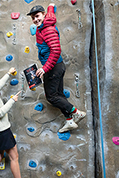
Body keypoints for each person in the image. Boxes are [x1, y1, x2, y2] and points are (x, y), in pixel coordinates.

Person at [27, 4, 86, 133]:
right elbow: (51, 13)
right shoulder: (44, 26)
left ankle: (76, 113)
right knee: (58, 95)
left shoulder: (47, 29)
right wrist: (50, 7)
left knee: (52, 97)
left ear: (43, 15)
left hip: (52, 67)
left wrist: (44, 68)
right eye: (33, 18)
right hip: (55, 66)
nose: (35, 20)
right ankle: (69, 120)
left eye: (37, 16)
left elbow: (55, 50)